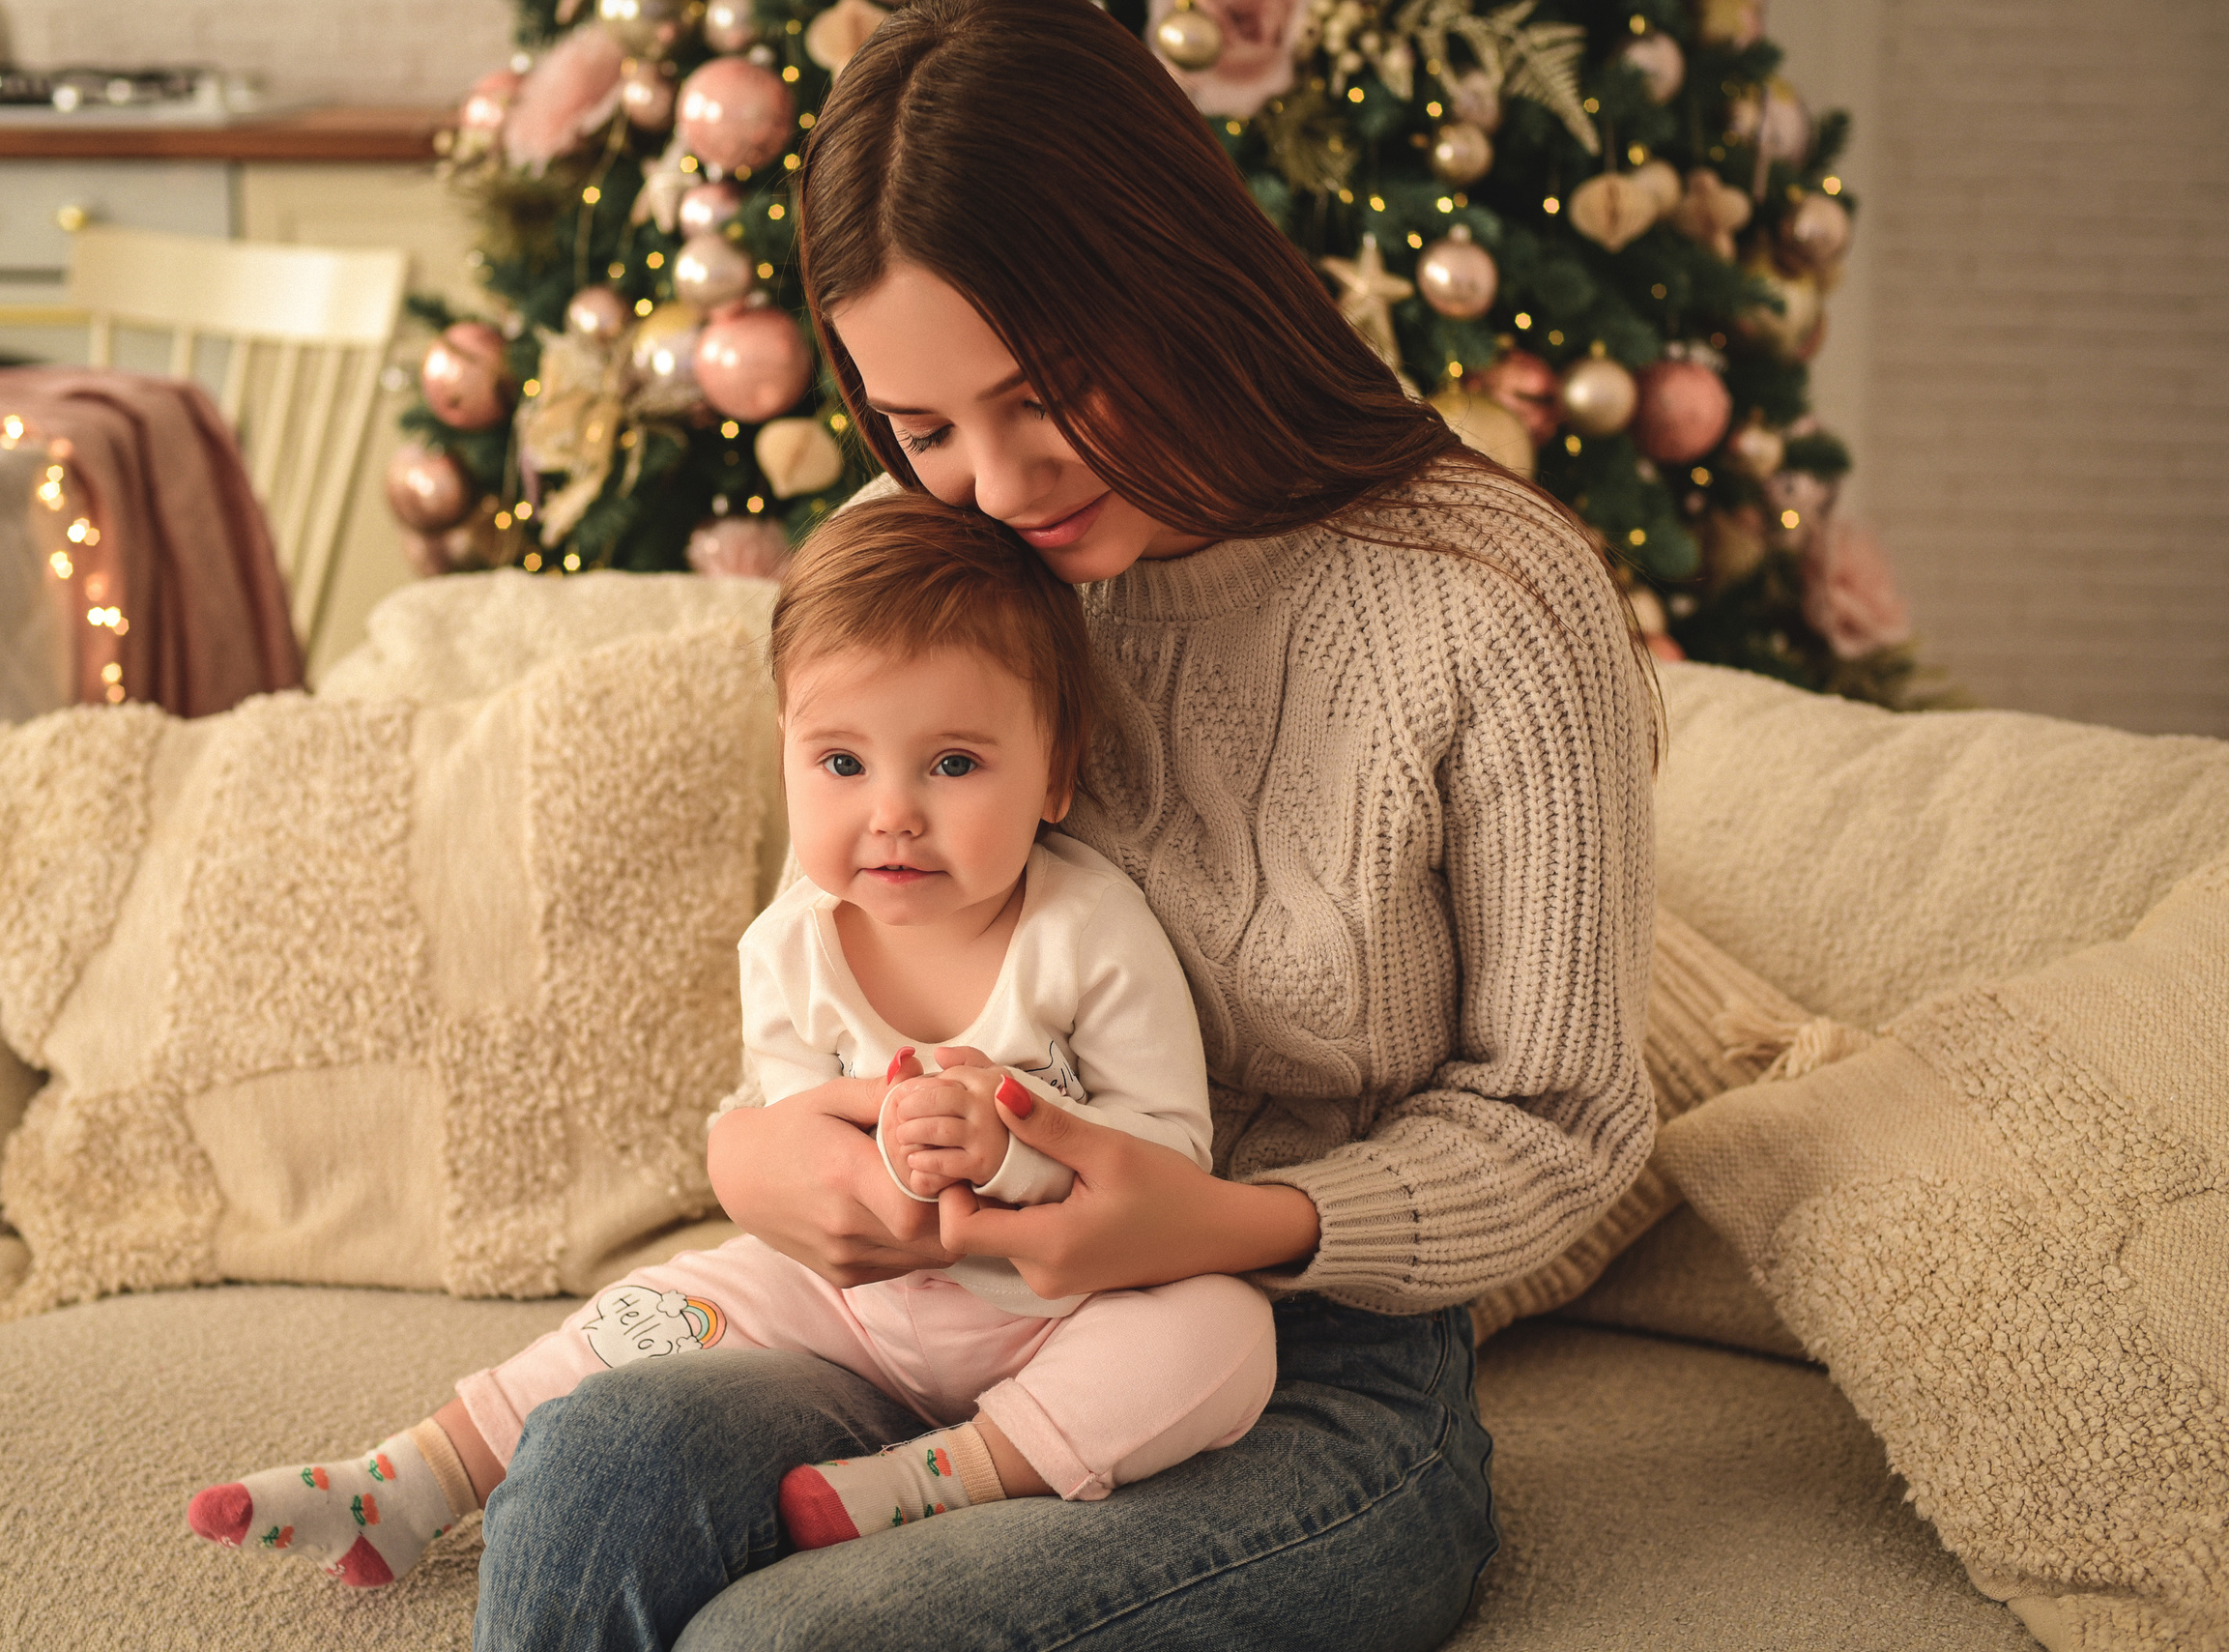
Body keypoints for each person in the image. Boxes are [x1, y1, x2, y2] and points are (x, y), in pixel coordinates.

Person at [478, 0, 1660, 1645]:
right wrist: (759, 1155)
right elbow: (845, 939)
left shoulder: (1489, 605)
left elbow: (1566, 1119)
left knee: (794, 1639)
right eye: (925, 425)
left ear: (1177, 273)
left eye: (1047, 392)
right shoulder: (938, 550)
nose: (1000, 481)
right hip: (920, 1317)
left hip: (1308, 1377)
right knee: (600, 1456)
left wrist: (1234, 1220)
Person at [182, 493, 1276, 1586]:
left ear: (1056, 770)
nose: (891, 810)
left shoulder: (1087, 932)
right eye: (842, 763)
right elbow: (793, 1140)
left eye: (952, 764)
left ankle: (946, 1474)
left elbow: (1172, 1156)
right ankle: (410, 1479)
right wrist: (840, 1176)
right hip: (847, 1301)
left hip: (1058, 1312)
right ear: (788, 753)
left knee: (1224, 1333)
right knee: (651, 1310)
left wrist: (1013, 1153)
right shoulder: (792, 945)